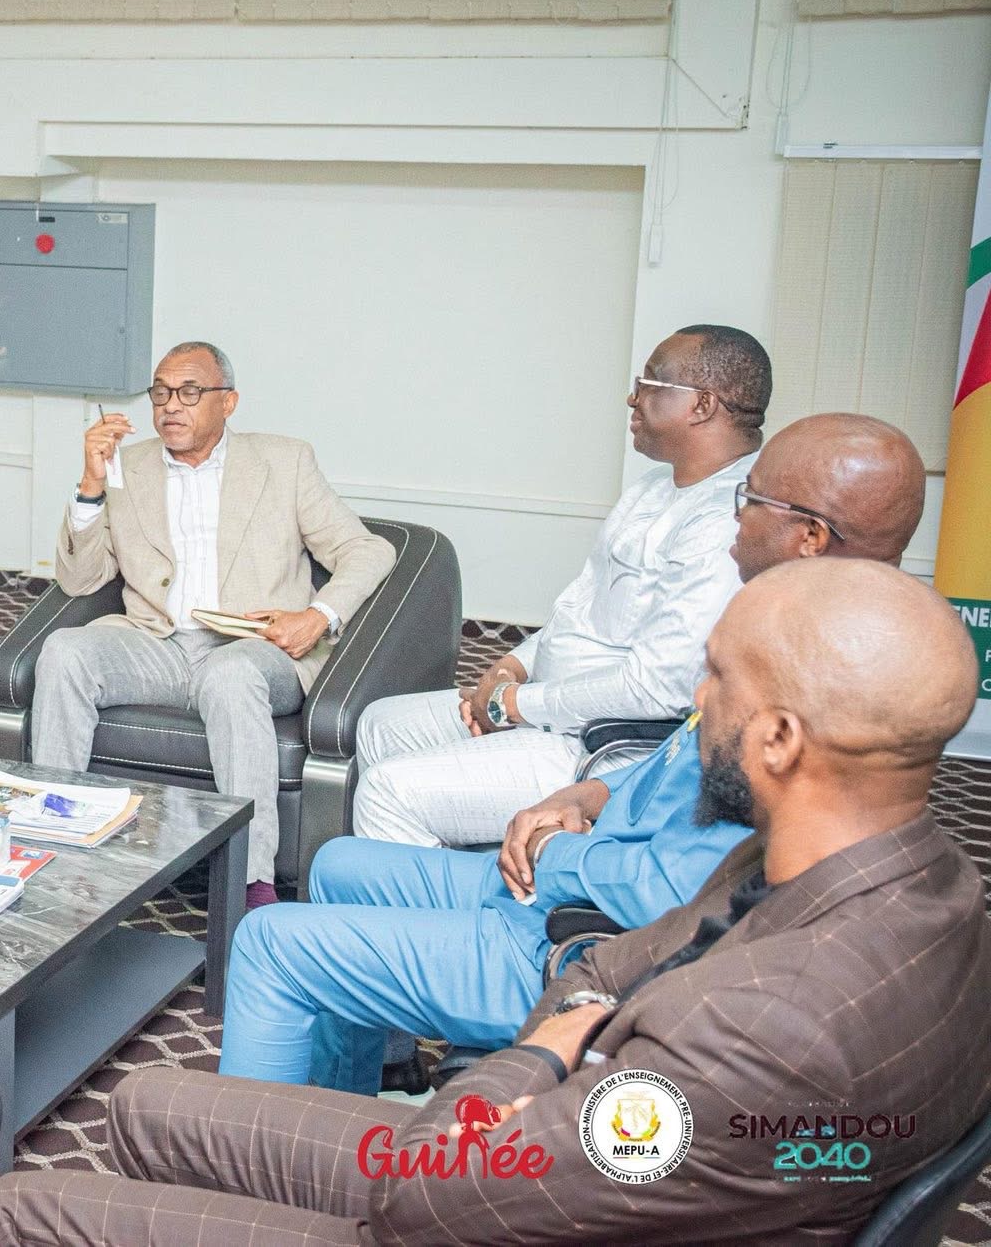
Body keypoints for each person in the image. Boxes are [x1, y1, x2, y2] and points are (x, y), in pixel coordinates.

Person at [0, 556, 991, 1245]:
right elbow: (613, 966)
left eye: (716, 678)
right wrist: (578, 1018)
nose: (694, 702)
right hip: (551, 1157)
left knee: (24, 1207)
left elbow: (421, 1194)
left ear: (776, 738)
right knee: (148, 1104)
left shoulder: (760, 1032)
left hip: (474, 1196)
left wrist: (544, 1053)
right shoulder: (921, 882)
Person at [218, 413, 929, 1094]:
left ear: (809, 536)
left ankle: (266, 1149)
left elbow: (675, 891)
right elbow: (682, 765)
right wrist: (588, 795)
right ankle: (342, 1105)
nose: (734, 515)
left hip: (584, 946)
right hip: (579, 874)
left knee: (269, 940)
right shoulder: (796, 632)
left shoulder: (815, 687)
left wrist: (556, 851)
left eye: (751, 498)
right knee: (338, 864)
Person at [350, 324, 773, 848]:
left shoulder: (725, 519)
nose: (632, 398)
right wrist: (510, 668)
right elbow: (577, 609)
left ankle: (456, 889)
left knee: (387, 792)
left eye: (648, 384)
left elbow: (658, 688)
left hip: (603, 743)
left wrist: (513, 705)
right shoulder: (651, 488)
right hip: (543, 705)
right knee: (381, 724)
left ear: (702, 405)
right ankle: (446, 856)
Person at [31, 341, 397, 908]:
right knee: (63, 651)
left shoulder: (284, 462)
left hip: (254, 649)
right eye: (160, 393)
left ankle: (252, 883)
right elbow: (81, 581)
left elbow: (367, 550)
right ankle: (54, 849)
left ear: (228, 402)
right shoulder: (129, 467)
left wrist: (317, 616)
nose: (170, 406)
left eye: (189, 392)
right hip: (157, 644)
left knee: (229, 675)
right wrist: (91, 485)